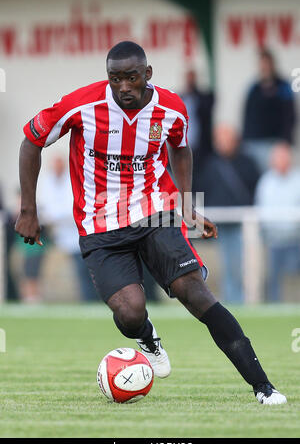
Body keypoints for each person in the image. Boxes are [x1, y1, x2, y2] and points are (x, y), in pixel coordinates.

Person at [15, 41, 286, 405]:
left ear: (147, 74)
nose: (123, 86)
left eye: (131, 77)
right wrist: (28, 211)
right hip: (100, 224)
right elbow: (31, 141)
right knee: (130, 312)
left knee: (197, 294)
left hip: (155, 211)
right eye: (115, 79)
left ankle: (264, 387)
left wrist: (187, 205)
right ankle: (145, 336)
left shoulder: (171, 108)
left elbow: (180, 147)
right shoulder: (82, 105)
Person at [200, 124, 260, 303]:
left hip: (242, 222)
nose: (222, 143)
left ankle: (241, 300)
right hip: (218, 223)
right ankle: (228, 300)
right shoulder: (211, 164)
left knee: (239, 264)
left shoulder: (247, 162)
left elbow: (253, 188)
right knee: (224, 265)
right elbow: (203, 189)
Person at [38, 156, 98, 302]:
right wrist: (53, 215)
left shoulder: (71, 179)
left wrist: (53, 215)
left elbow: (70, 208)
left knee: (85, 270)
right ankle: (86, 300)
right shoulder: (47, 181)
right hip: (57, 235)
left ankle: (91, 300)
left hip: (77, 233)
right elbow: (45, 208)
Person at [255, 143, 300, 302]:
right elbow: (260, 206)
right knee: (273, 279)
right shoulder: (266, 181)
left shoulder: (297, 180)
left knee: (294, 280)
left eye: (283, 157)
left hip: (296, 240)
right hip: (272, 241)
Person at [242, 48, 296, 174]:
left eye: (267, 63)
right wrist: (245, 140)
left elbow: (290, 115)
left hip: (276, 142)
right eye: (262, 63)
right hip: (255, 142)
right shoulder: (253, 88)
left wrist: (286, 141)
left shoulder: (283, 86)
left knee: (276, 177)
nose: (264, 67)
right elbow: (247, 115)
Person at [181, 70, 214, 193]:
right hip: (182, 148)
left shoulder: (203, 98)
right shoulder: (180, 98)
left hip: (200, 149)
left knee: (200, 181)